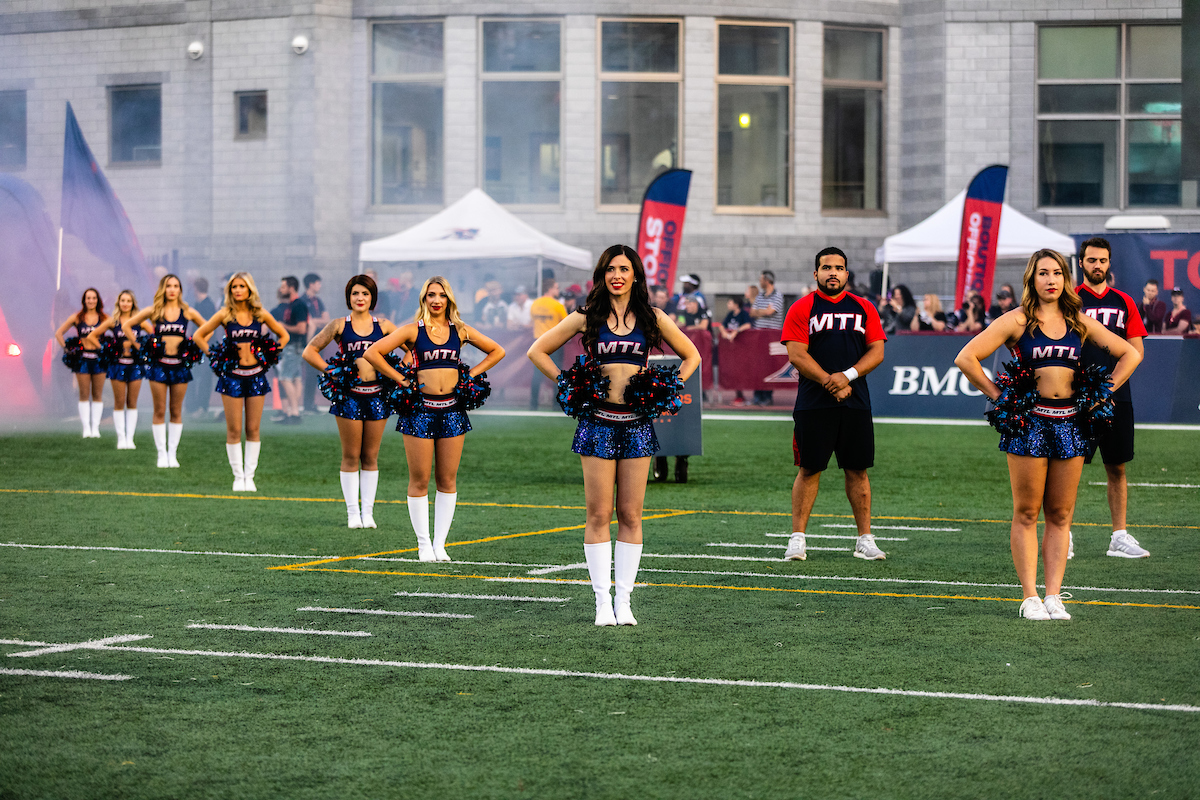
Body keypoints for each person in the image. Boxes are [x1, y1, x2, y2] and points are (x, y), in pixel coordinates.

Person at [955, 249, 1140, 621]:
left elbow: (1130, 353)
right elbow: (966, 357)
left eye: (1057, 273)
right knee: (1026, 512)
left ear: (1066, 280)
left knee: (1060, 514)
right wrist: (999, 396)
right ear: (1032, 279)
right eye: (1043, 273)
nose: (1051, 279)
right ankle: (1030, 597)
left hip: (1071, 422)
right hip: (1030, 423)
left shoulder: (1079, 322)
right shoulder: (1018, 320)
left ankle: (1054, 596)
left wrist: (1105, 390)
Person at [529, 245, 701, 626]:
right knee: (597, 513)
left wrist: (668, 388)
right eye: (610, 269)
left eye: (624, 269)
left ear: (635, 275)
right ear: (602, 275)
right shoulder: (587, 315)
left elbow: (693, 356)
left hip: (637, 422)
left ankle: (625, 601)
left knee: (630, 514)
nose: (617, 275)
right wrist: (568, 384)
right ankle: (601, 603)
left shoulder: (652, 316)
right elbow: (537, 351)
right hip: (598, 422)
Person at [364, 277, 506, 561]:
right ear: (424, 299)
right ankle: (423, 544)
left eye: (442, 295)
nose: (437, 300)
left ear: (449, 299)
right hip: (420, 410)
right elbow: (373, 352)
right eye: (431, 295)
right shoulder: (412, 330)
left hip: (452, 409)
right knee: (419, 480)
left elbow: (497, 351)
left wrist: (469, 375)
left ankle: (440, 544)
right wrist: (400, 379)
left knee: (447, 479)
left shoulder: (460, 330)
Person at [781, 247, 889, 564]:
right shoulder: (801, 308)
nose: (833, 273)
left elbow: (877, 351)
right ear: (815, 273)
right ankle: (797, 539)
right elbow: (797, 355)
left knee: (858, 468)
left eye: (839, 268)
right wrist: (832, 381)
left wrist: (847, 377)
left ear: (846, 273)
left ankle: (864, 539)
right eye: (826, 267)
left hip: (855, 400)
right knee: (810, 467)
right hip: (814, 401)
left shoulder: (864, 307)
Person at [1074, 237, 1150, 559]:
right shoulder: (1070, 301)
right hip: (1077, 400)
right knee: (1070, 467)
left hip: (1117, 398)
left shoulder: (1124, 301)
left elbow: (1137, 351)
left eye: (1103, 261)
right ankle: (1062, 536)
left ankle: (1119, 536)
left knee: (1117, 467)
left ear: (1109, 263)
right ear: (1081, 263)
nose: (1098, 266)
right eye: (1092, 260)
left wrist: (1109, 387)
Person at [305, 275, 398, 528]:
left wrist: (399, 373)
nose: (360, 298)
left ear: (372, 298)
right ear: (349, 297)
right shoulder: (339, 325)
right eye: (356, 293)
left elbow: (412, 347)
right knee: (350, 455)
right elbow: (309, 351)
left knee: (370, 456)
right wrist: (331, 371)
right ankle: (352, 514)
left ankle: (368, 513)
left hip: (378, 395)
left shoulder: (385, 325)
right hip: (349, 397)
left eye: (365, 294)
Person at [194, 273, 290, 492]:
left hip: (256, 375)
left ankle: (250, 476)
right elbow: (200, 336)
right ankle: (238, 477)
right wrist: (215, 357)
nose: (237, 290)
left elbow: (283, 335)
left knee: (253, 428)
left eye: (242, 286)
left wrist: (269, 355)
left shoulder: (260, 314)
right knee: (234, 429)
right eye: (234, 287)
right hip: (232, 377)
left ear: (250, 290)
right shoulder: (224, 314)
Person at [123, 274, 208, 467]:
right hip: (159, 365)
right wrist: (140, 346)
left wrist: (195, 344)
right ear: (163, 288)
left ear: (180, 290)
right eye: (168, 286)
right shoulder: (154, 311)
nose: (172, 289)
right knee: (160, 410)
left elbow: (207, 327)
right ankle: (161, 454)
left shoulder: (187, 312)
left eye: (176, 286)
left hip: (179, 366)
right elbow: (127, 325)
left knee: (176, 411)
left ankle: (173, 454)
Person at [85, 290, 153, 448]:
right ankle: (121, 438)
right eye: (123, 300)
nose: (125, 303)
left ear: (133, 304)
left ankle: (130, 438)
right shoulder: (113, 321)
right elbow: (92, 336)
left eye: (129, 301)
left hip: (135, 365)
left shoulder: (140, 321)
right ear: (118, 303)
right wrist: (107, 350)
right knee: (119, 401)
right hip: (118, 365)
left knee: (132, 402)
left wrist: (142, 347)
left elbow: (154, 336)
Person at [55, 288, 109, 438]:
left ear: (98, 300)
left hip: (99, 359)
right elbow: (58, 333)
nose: (91, 301)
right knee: (84, 394)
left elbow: (119, 330)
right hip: (83, 359)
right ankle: (86, 428)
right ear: (84, 300)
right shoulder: (77, 317)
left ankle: (95, 428)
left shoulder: (104, 318)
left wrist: (112, 349)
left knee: (97, 394)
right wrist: (67, 349)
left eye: (93, 298)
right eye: (88, 298)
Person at [274, 276, 309, 424]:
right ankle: (293, 413)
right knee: (295, 378)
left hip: (294, 346)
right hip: (292, 346)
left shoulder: (298, 305)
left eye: (283, 287)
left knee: (285, 377)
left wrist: (283, 326)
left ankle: (294, 412)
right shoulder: (291, 304)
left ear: (291, 288)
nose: (281, 289)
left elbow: (302, 329)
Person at [529, 278, 567, 410]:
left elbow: (532, 320)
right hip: (554, 343)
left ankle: (533, 404)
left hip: (538, 342)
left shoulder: (535, 304)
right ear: (550, 289)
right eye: (556, 288)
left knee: (537, 374)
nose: (558, 290)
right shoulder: (557, 305)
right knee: (556, 372)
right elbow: (566, 324)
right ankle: (556, 405)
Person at [750, 270, 784, 406]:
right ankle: (757, 394)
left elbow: (771, 312)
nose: (759, 281)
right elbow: (752, 312)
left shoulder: (778, 295)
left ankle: (767, 396)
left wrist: (761, 312)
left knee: (769, 366)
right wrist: (763, 312)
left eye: (761, 279)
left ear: (767, 280)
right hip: (759, 336)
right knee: (757, 366)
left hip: (771, 337)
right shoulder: (760, 296)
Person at [186, 277, 217, 417]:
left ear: (195, 288)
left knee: (205, 377)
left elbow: (210, 329)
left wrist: (201, 344)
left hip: (205, 347)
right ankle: (191, 406)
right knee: (192, 376)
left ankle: (202, 407)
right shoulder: (198, 304)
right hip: (196, 346)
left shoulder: (208, 305)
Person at [301, 273, 329, 413]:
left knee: (314, 373)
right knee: (305, 373)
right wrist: (315, 321)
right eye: (318, 283)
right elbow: (307, 321)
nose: (320, 286)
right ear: (311, 284)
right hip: (306, 341)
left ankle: (310, 403)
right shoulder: (302, 301)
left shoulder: (318, 301)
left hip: (318, 342)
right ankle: (305, 404)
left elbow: (326, 319)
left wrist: (315, 321)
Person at [720, 296, 752, 407]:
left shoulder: (743, 314)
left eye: (730, 302)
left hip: (742, 349)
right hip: (732, 350)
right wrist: (724, 332)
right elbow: (722, 325)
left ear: (736, 304)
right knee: (734, 372)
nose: (728, 304)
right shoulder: (730, 314)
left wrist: (736, 331)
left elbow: (748, 325)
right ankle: (739, 395)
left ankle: (743, 396)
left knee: (742, 372)